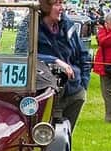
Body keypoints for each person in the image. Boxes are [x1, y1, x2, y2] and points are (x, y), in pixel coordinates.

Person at [37, 0, 91, 131]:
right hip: (47, 94)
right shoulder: (31, 25)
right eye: (58, 4)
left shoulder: (68, 25)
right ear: (46, 6)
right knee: (45, 141)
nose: (62, 8)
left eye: (62, 3)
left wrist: (83, 84)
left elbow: (83, 55)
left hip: (74, 92)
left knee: (65, 138)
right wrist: (54, 60)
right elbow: (22, 55)